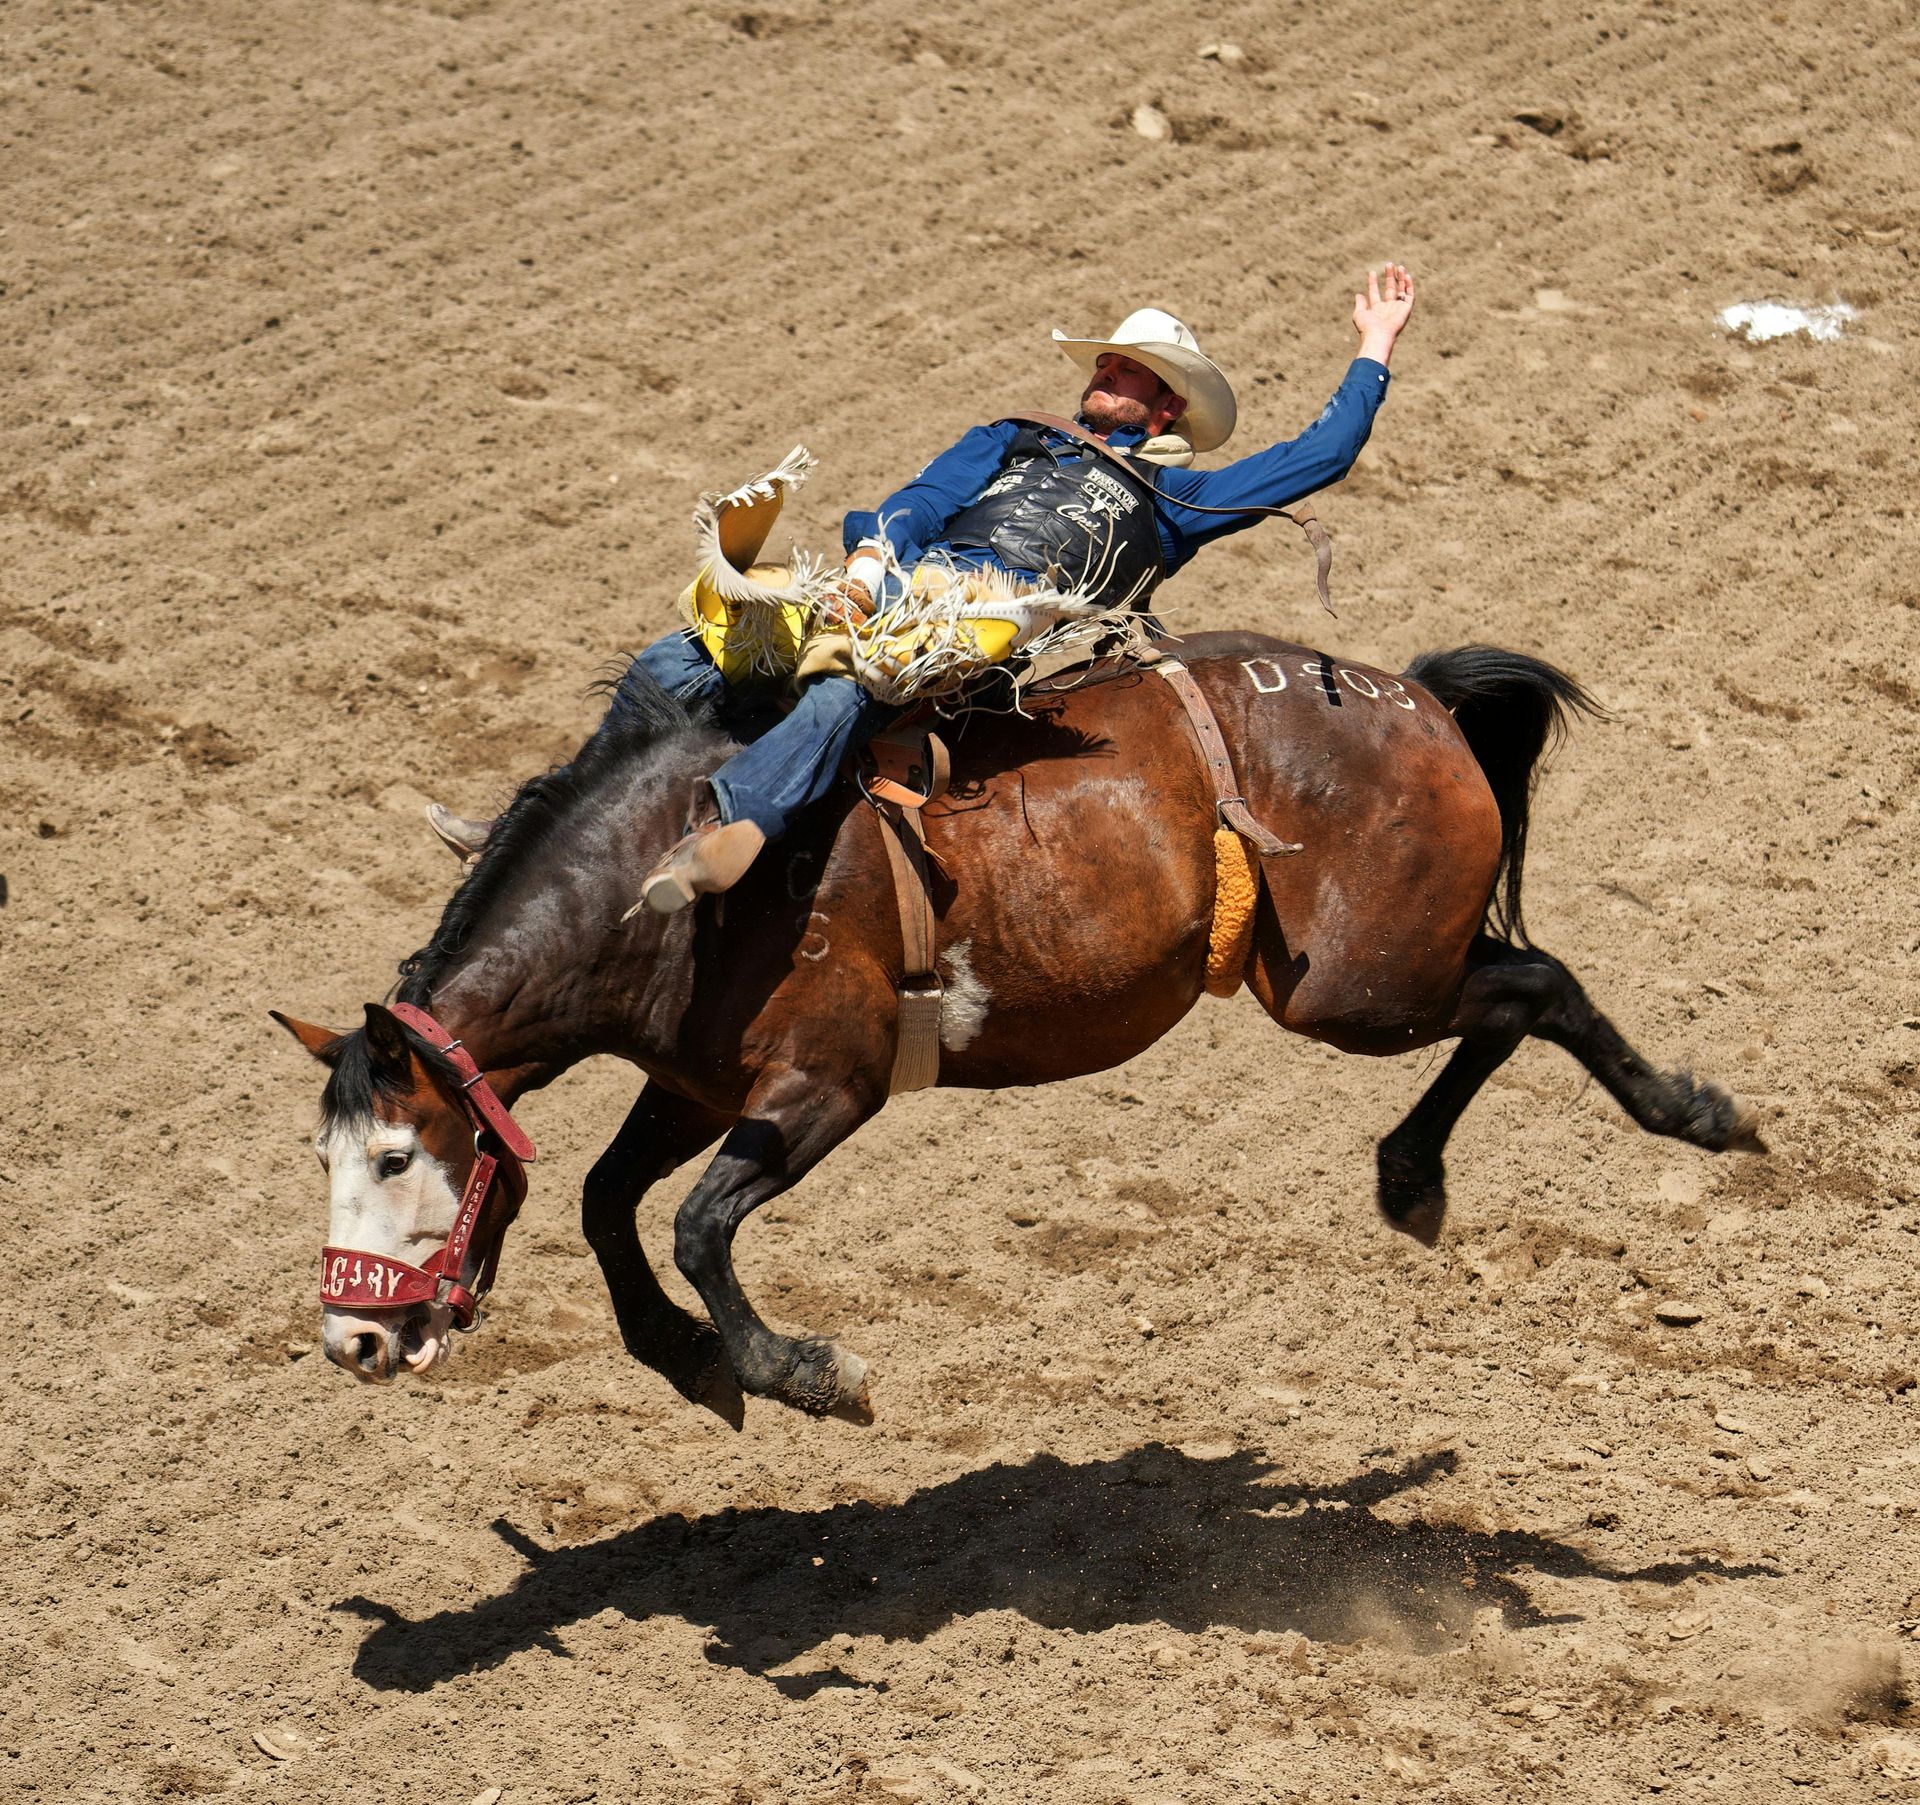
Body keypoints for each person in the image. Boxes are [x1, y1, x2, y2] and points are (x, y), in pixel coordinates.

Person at [429, 266, 1418, 911]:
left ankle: (737, 822)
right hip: (900, 586)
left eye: (1129, 368)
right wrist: (874, 561)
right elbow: (921, 498)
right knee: (680, 657)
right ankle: (536, 823)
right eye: (1110, 359)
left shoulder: (1176, 500)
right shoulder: (1012, 435)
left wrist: (1373, 345)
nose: (1106, 371)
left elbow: (1320, 451)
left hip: (983, 638)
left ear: (1165, 403)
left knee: (851, 688)